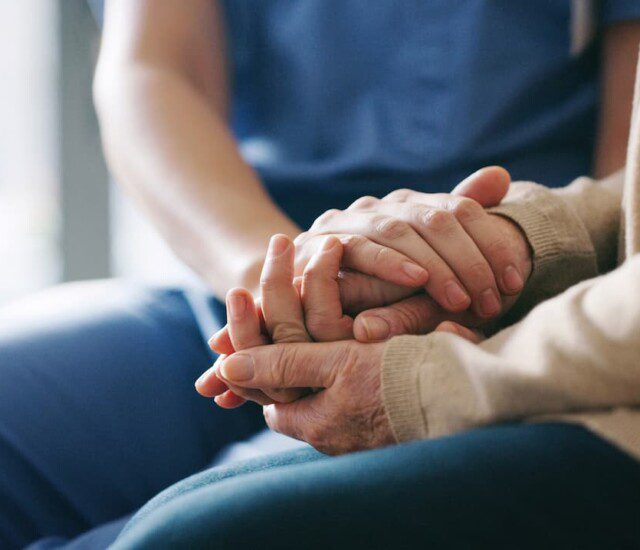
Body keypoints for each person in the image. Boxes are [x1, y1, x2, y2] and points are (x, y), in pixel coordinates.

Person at [1, 1, 639, 547]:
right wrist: (278, 281)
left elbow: (625, 198)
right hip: (235, 285)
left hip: (496, 315)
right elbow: (151, 70)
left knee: (173, 533)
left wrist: (494, 262)